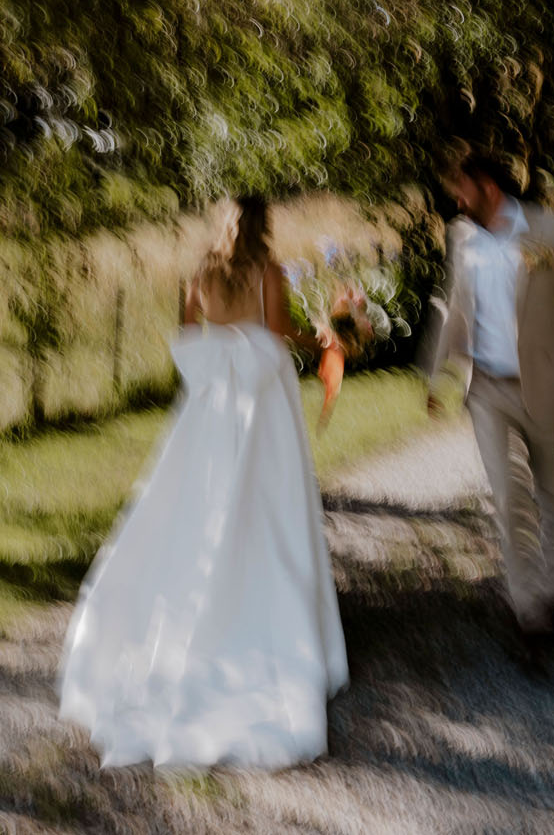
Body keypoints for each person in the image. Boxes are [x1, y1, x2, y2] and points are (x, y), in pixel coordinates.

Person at [59, 194, 348, 769]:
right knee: (269, 505)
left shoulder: (199, 273)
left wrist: (225, 339)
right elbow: (278, 331)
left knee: (195, 499)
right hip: (261, 404)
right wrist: (330, 332)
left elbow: (188, 332)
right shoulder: (267, 271)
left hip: (211, 402)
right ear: (263, 227)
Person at [421, 147, 554, 662]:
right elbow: (454, 305)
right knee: (508, 499)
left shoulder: (549, 232)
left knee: (553, 493)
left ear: (488, 187)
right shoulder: (462, 239)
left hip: (545, 385)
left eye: (462, 187)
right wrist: (435, 375)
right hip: (486, 389)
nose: (456, 198)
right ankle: (528, 615)